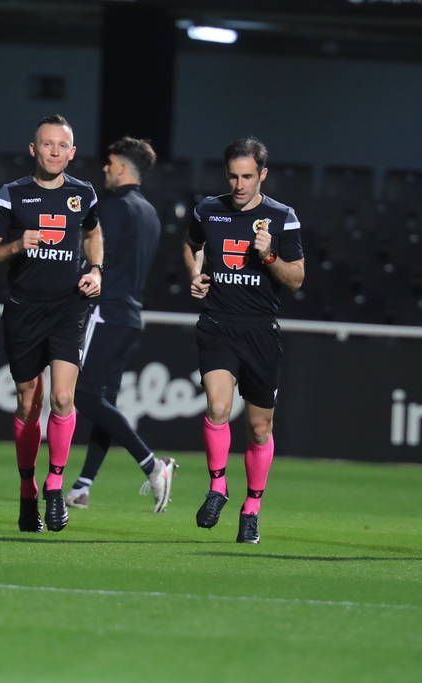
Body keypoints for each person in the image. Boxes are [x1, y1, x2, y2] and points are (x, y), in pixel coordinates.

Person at [0, 114, 103, 534]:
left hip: (70, 307)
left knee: (63, 398)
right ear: (33, 149)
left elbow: (92, 234)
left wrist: (97, 269)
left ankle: (54, 485)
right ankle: (28, 488)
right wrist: (16, 244)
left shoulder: (83, 193)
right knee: (30, 400)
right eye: (46, 144)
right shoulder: (13, 194)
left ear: (72, 152)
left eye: (60, 145)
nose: (53, 151)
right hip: (24, 308)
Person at [182, 137, 305, 544]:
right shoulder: (208, 210)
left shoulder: (282, 217)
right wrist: (196, 274)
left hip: (260, 330)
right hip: (217, 323)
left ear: (262, 175)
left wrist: (270, 256)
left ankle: (251, 507)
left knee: (258, 427)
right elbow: (191, 244)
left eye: (247, 176)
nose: (239, 184)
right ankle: (218, 487)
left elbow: (297, 279)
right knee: (218, 406)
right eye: (233, 176)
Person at [63, 136, 176, 512]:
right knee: (103, 401)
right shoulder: (150, 213)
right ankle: (82, 485)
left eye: (110, 164)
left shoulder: (114, 208)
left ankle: (152, 464)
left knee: (82, 395)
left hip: (105, 311)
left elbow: (93, 255)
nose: (105, 169)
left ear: (124, 168)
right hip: (130, 316)